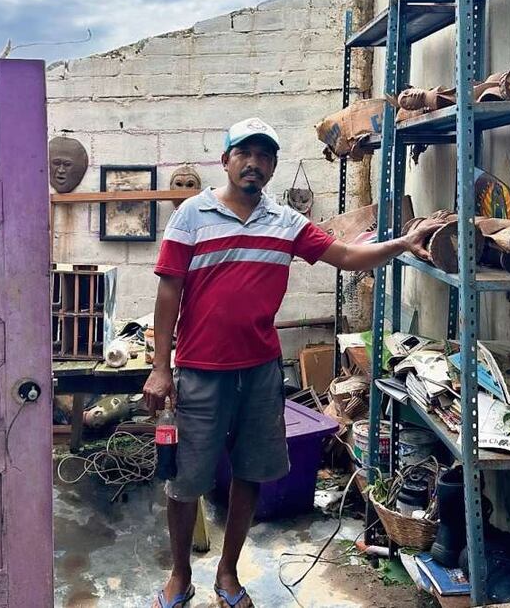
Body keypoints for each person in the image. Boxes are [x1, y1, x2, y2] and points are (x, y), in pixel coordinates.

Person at [144, 117, 443, 607]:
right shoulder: (190, 216)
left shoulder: (286, 223)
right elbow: (168, 289)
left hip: (260, 372)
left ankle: (227, 573)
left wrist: (403, 244)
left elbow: (347, 255)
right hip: (199, 370)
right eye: (245, 153)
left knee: (251, 472)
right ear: (226, 160)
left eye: (265, 156)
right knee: (186, 481)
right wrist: (161, 366)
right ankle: (179, 575)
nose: (254, 163)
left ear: (273, 167)